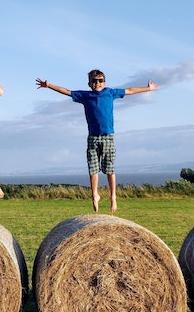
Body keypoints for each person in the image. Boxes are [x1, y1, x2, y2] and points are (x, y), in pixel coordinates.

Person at [36, 70, 158, 213]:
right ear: (89, 83)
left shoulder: (110, 93)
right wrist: (49, 85)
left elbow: (130, 90)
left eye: (100, 80)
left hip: (108, 137)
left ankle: (113, 196)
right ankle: (95, 195)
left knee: (109, 169)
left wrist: (148, 88)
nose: (97, 83)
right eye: (94, 81)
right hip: (92, 138)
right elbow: (67, 91)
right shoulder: (85, 96)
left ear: (104, 82)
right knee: (93, 169)